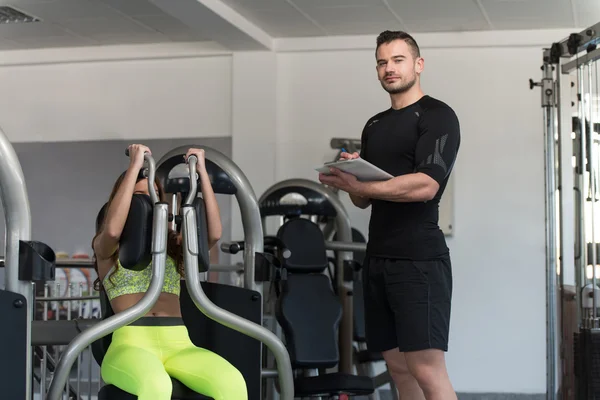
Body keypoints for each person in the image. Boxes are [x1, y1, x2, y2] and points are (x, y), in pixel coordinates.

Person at [318, 30, 460, 400]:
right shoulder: (375, 125)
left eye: (397, 60)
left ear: (418, 64)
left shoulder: (437, 115)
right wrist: (352, 179)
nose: (389, 68)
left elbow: (427, 185)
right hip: (378, 259)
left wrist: (362, 187)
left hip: (419, 260)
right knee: (398, 369)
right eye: (382, 62)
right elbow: (366, 202)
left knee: (426, 369)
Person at [92, 144, 247, 400]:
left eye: (154, 199)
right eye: (139, 201)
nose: (147, 209)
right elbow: (112, 231)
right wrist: (134, 167)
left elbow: (214, 233)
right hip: (131, 344)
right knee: (156, 386)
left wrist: (202, 174)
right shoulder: (108, 250)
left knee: (232, 383)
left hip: (179, 343)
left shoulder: (173, 250)